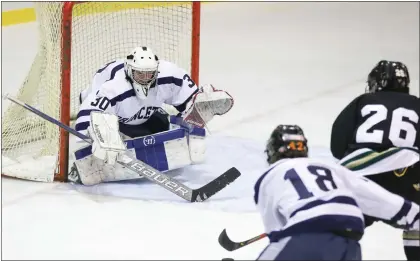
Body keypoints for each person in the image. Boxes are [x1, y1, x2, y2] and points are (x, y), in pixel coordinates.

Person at [69, 46, 234, 185]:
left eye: (149, 74)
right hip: (114, 116)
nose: (145, 79)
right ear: (129, 71)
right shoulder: (113, 88)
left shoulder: (168, 74)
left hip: (146, 114)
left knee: (165, 130)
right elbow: (87, 113)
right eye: (140, 74)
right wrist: (98, 133)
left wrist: (197, 106)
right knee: (94, 159)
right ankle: (84, 164)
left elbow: (189, 99)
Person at [254, 125, 419, 260]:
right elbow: (372, 194)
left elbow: (275, 234)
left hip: (308, 234)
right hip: (350, 243)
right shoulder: (330, 167)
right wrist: (411, 213)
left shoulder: (269, 176)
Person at [330, 60, 419, 260]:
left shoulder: (362, 101)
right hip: (405, 176)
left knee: (340, 226)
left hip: (362, 178)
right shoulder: (417, 105)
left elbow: (337, 146)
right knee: (417, 221)